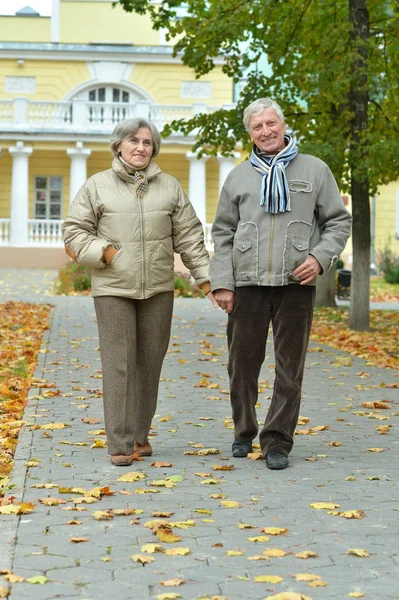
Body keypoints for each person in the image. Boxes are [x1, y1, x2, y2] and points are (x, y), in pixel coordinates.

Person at [63, 118, 217, 466]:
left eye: (147, 142)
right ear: (118, 145)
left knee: (149, 363)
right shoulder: (97, 186)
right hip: (113, 288)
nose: (140, 147)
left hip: (158, 289)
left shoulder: (170, 187)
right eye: (133, 140)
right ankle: (119, 444)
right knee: (119, 363)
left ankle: (138, 436)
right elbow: (74, 232)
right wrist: (107, 253)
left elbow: (190, 237)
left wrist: (206, 281)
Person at [211, 98, 352, 470]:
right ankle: (243, 431)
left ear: (283, 124)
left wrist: (320, 259)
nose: (266, 131)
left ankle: (277, 441)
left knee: (290, 367)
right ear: (250, 133)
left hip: (296, 284)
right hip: (248, 284)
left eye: (271, 123)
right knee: (241, 364)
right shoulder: (238, 176)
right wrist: (222, 283)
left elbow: (338, 222)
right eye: (257, 127)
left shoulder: (316, 170)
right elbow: (223, 232)